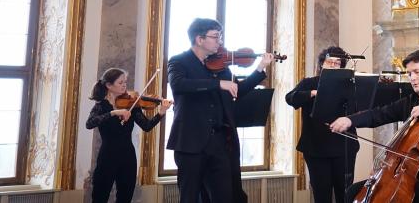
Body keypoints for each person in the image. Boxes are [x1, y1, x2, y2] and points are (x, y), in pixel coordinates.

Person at [331, 49, 419, 203]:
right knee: (353, 191)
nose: (412, 78)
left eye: (417, 72)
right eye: (409, 73)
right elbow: (379, 114)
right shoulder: (409, 102)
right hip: (408, 172)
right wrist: (350, 120)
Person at [167, 18, 276, 203]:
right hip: (190, 142)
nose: (220, 41)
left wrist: (260, 68)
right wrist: (217, 84)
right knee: (190, 196)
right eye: (216, 37)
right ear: (199, 39)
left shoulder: (220, 67)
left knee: (224, 196)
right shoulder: (179, 61)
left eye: (220, 37)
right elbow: (178, 85)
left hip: (219, 142)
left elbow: (237, 91)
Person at [285, 47, 359, 203]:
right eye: (329, 62)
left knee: (344, 195)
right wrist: (312, 93)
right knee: (321, 195)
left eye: (337, 63)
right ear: (321, 64)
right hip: (316, 148)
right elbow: (290, 98)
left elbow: (361, 108)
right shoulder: (309, 82)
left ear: (342, 66)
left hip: (344, 147)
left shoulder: (349, 85)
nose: (333, 65)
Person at [86, 68, 171, 203]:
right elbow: (89, 123)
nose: (124, 85)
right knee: (99, 197)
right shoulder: (101, 106)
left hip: (128, 157)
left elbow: (147, 126)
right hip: (107, 157)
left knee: (125, 198)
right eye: (120, 83)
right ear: (109, 85)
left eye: (125, 82)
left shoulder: (132, 104)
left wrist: (161, 112)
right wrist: (114, 113)